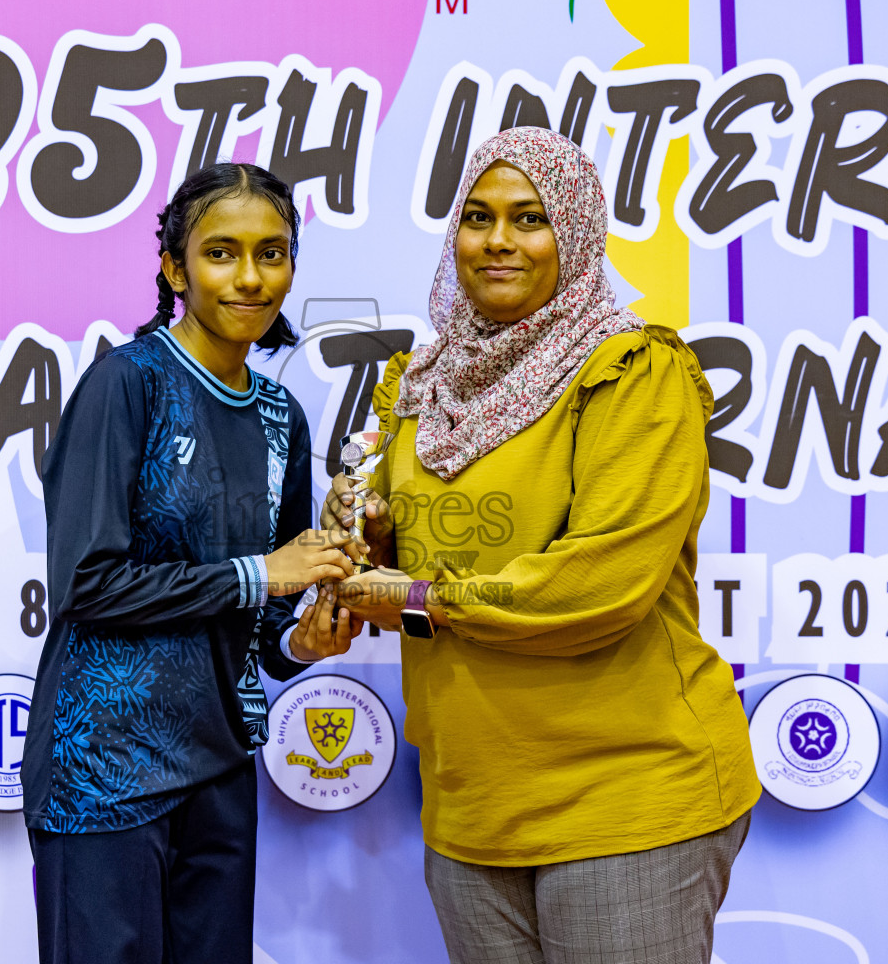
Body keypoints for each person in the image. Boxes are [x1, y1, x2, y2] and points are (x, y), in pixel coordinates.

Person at [324, 127, 760, 964]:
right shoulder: (422, 388)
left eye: (530, 218)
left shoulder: (633, 372)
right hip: (471, 802)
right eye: (477, 217)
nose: (497, 241)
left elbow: (601, 585)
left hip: (623, 793)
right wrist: (372, 547)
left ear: (577, 231)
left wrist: (417, 597)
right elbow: (422, 576)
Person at [22, 162, 363, 964]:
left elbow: (267, 618)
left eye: (272, 253)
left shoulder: (282, 416)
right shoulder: (126, 383)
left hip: (219, 766)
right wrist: (264, 573)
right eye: (222, 253)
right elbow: (85, 583)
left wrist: (300, 642)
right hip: (105, 766)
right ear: (175, 268)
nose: (250, 277)